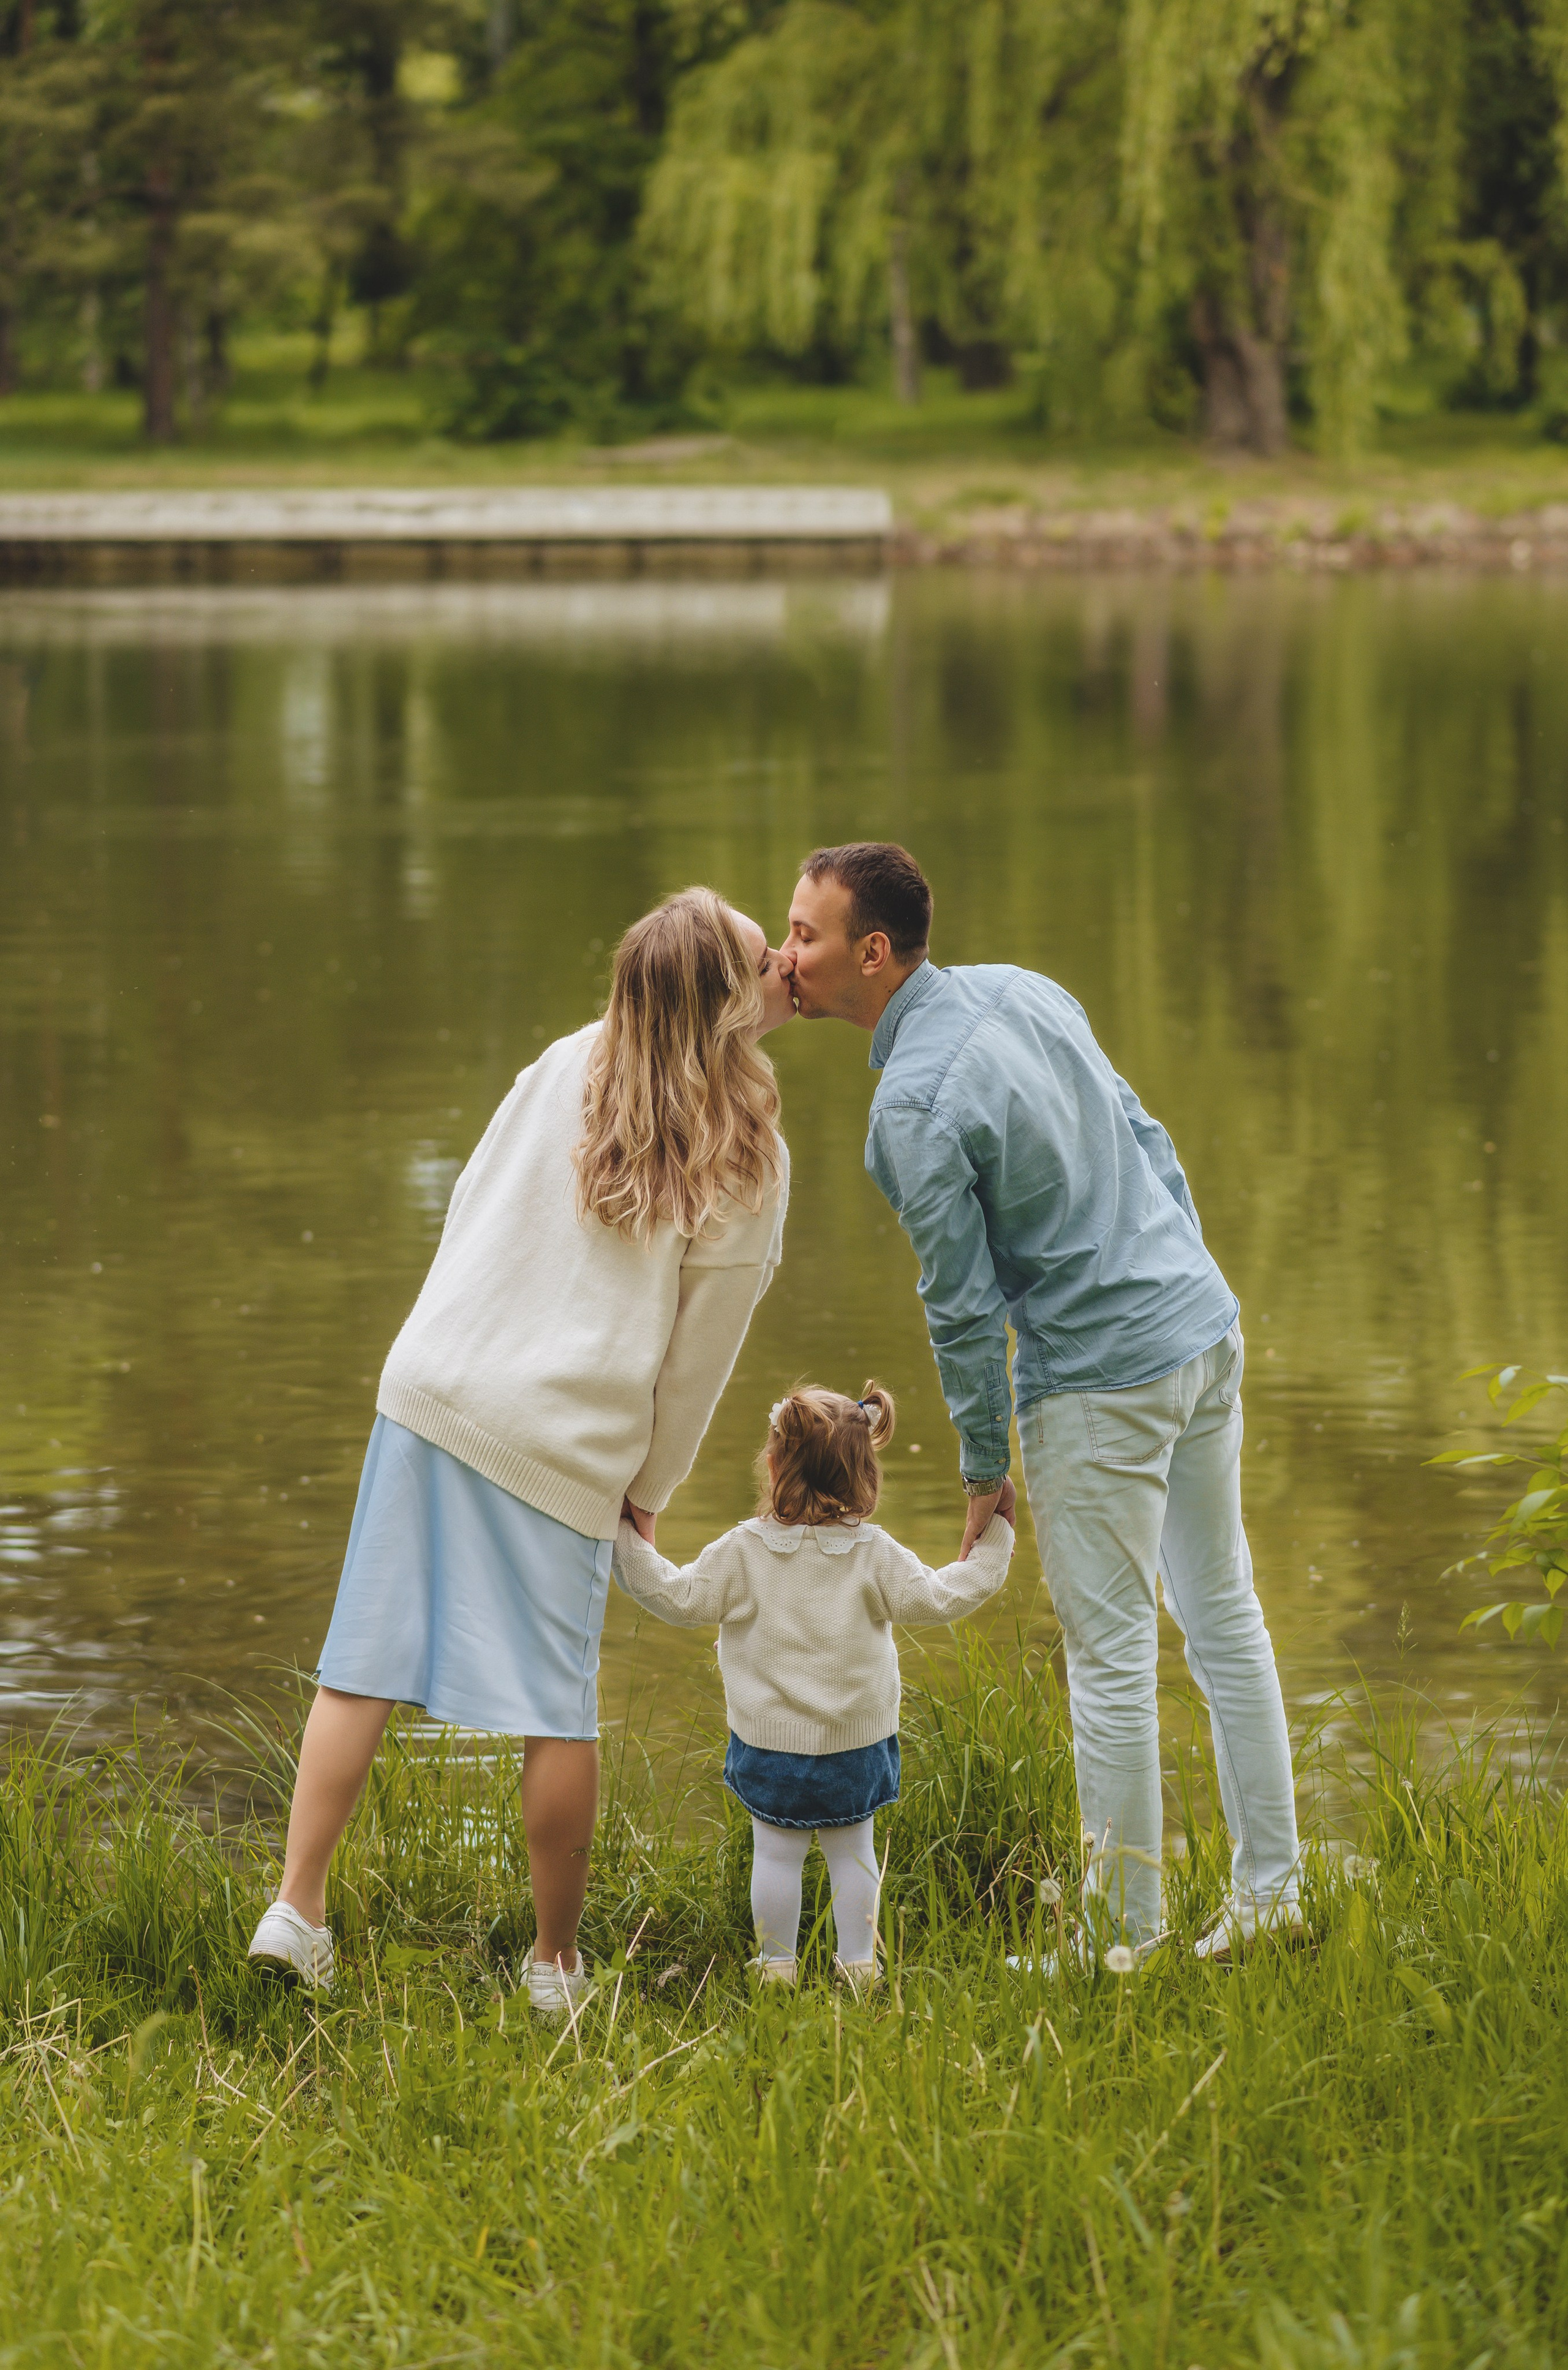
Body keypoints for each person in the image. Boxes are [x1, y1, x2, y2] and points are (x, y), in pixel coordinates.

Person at [246, 887, 796, 2015]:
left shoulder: (563, 1063)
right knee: (560, 1706)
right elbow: (699, 1357)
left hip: (434, 1389)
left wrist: (450, 1340)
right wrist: (649, 1488)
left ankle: (295, 1908)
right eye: (761, 950)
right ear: (725, 1001)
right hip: (563, 1438)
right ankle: (553, 1965)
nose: (784, 958)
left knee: (364, 1661)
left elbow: (467, 1206)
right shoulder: (751, 1153)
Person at [781, 843, 1302, 1965]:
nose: (787, 955)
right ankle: (1275, 1892)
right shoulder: (1026, 987)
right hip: (1202, 1327)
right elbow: (1149, 1138)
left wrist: (981, 1472)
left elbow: (963, 1309)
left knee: (1112, 1655)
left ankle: (1122, 1942)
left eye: (806, 935)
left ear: (873, 954)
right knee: (1224, 1614)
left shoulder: (910, 1107)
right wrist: (1175, 1274)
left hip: (1103, 1381)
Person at [614, 1382, 1015, 1988]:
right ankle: (858, 1966)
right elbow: (944, 1595)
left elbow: (674, 1595)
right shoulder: (873, 1552)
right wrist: (998, 1537)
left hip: (768, 1744)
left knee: (776, 1856)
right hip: (857, 1742)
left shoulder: (742, 1551)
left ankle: (776, 1967)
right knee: (854, 1853)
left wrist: (624, 1534)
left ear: (774, 1465)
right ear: (866, 1476)